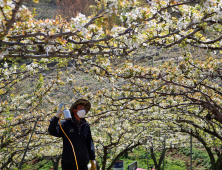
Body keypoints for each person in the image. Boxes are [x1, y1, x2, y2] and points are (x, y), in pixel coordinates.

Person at [48, 99, 96, 170]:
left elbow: (89, 142)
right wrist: (56, 117)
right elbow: (52, 131)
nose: (83, 109)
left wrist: (93, 158)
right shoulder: (65, 124)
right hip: (68, 163)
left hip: (83, 163)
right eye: (81, 107)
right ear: (74, 111)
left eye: (84, 108)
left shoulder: (86, 125)